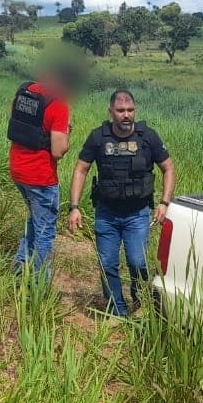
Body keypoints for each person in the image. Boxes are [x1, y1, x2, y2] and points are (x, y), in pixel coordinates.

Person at [68, 89, 176, 317]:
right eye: (120, 111)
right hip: (106, 214)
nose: (126, 115)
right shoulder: (98, 137)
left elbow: (168, 168)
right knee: (108, 265)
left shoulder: (148, 137)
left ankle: (140, 298)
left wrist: (165, 202)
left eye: (130, 110)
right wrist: (74, 207)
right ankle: (117, 311)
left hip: (137, 214)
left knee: (138, 263)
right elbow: (81, 169)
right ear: (111, 112)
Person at [8, 64, 78, 278]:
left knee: (35, 220)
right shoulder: (59, 105)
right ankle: (40, 283)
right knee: (45, 230)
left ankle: (19, 271)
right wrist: (67, 135)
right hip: (40, 176)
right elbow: (58, 151)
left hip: (17, 169)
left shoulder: (24, 92)